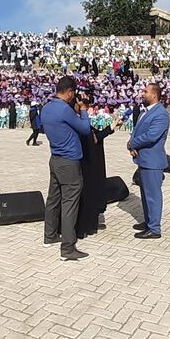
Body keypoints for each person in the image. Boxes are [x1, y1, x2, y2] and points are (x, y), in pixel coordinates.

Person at [42, 76, 92, 260]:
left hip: (55, 158)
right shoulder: (64, 109)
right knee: (69, 202)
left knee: (53, 198)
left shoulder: (46, 108)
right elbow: (85, 129)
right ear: (70, 92)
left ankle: (49, 234)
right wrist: (84, 111)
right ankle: (68, 247)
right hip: (69, 161)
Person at [129, 83, 169, 240]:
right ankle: (149, 221)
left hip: (153, 161)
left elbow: (152, 136)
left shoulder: (161, 114)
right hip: (143, 159)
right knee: (145, 195)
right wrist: (132, 144)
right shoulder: (144, 112)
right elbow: (138, 131)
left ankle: (154, 228)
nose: (142, 93)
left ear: (154, 95)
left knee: (153, 195)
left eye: (145, 91)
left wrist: (133, 143)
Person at [76, 113, 123, 239]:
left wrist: (110, 128)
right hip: (84, 164)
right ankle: (83, 225)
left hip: (89, 163)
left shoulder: (80, 121)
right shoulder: (76, 122)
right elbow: (92, 139)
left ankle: (89, 221)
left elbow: (94, 136)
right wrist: (109, 128)